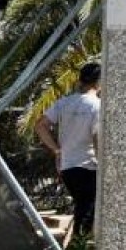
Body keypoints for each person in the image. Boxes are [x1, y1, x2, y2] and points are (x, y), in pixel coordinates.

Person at [36, 61, 101, 238]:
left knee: (83, 208)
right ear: (99, 82)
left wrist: (56, 150)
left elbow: (41, 125)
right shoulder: (97, 106)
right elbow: (97, 136)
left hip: (67, 166)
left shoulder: (63, 103)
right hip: (89, 166)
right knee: (87, 212)